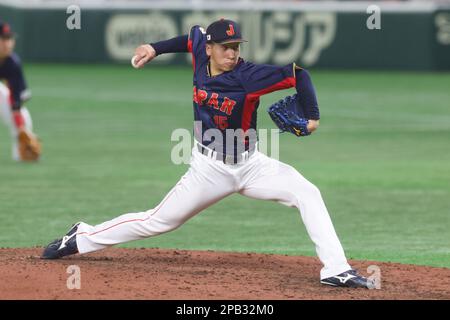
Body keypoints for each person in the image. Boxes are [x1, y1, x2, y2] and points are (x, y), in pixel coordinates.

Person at [42, 19, 372, 288]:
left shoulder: (248, 76)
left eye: (236, 47)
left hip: (252, 165)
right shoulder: (202, 50)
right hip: (208, 170)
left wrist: (312, 118)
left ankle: (335, 269)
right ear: (211, 49)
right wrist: (153, 49)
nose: (232, 53)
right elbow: (190, 37)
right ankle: (82, 236)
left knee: (307, 192)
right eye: (226, 47)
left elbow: (300, 74)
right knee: (158, 221)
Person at [0, 21, 39, 162]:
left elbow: (15, 101)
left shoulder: (13, 63)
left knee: (24, 118)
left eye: (9, 39)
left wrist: (21, 127)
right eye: (3, 39)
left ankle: (20, 156)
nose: (8, 43)